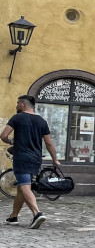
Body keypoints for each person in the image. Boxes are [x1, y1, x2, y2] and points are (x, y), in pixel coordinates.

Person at [1, 95, 59, 229]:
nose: (16, 106)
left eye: (17, 103)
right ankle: (13, 216)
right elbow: (49, 143)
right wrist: (55, 159)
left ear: (23, 104)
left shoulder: (17, 118)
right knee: (22, 188)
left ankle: (37, 214)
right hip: (36, 159)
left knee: (25, 186)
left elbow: (3, 135)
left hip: (22, 157)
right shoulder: (42, 121)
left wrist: (11, 141)